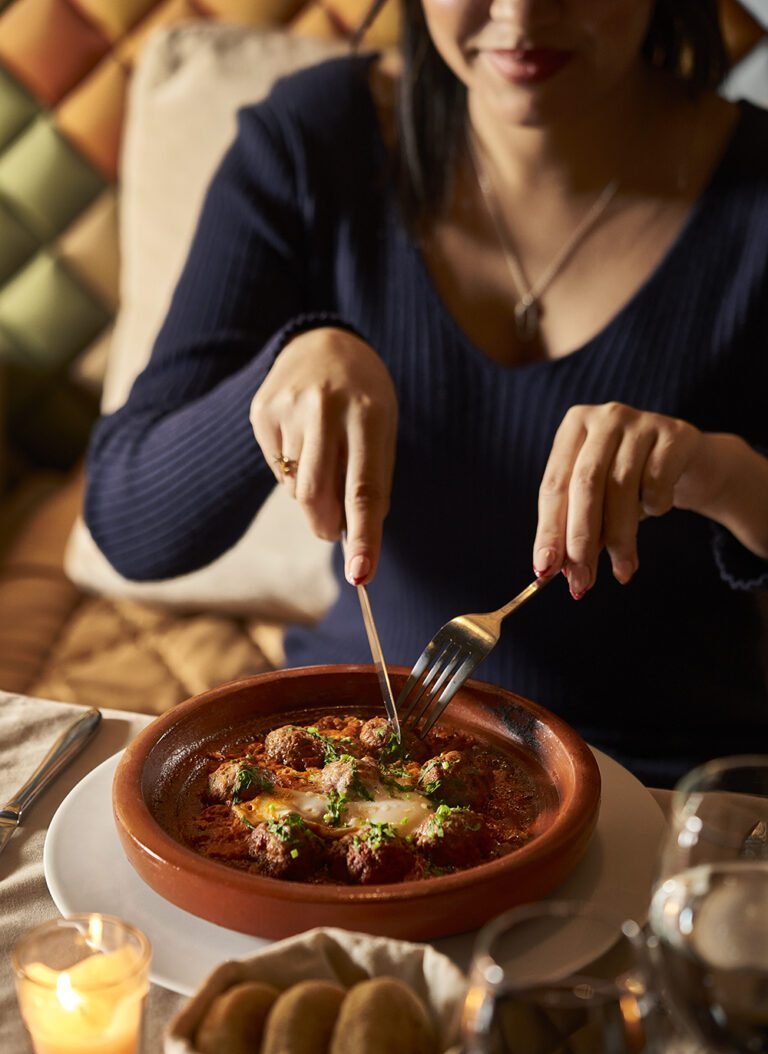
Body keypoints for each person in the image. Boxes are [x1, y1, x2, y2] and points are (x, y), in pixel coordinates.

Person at [84, 0, 768, 787]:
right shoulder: (311, 143)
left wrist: (717, 472)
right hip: (359, 756)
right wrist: (284, 367)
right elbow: (130, 527)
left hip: (666, 788)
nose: (519, 13)